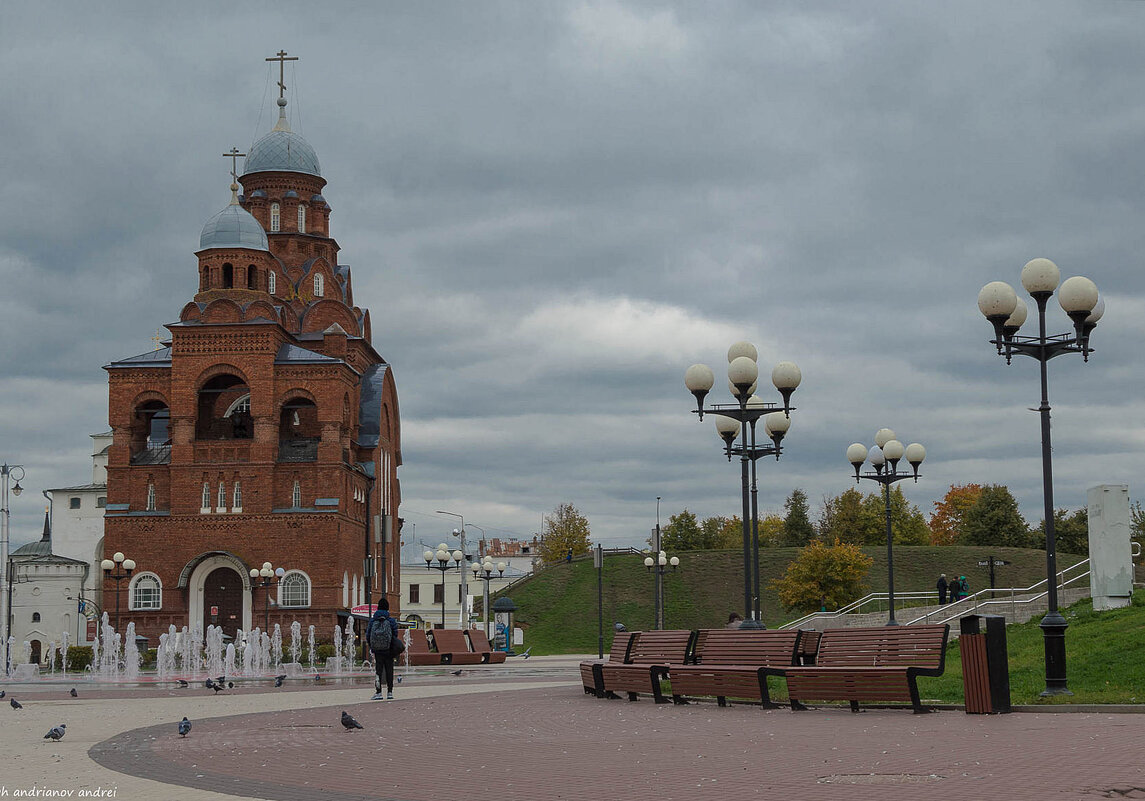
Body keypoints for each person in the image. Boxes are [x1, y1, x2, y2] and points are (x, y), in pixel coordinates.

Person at [367, 599, 400, 700]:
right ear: (387, 608)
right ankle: (390, 692)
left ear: (378, 607)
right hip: (389, 650)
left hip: (377, 650)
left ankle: (378, 692)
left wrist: (372, 646)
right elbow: (395, 634)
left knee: (378, 671)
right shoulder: (391, 620)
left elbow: (368, 635)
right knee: (389, 670)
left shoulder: (373, 620)